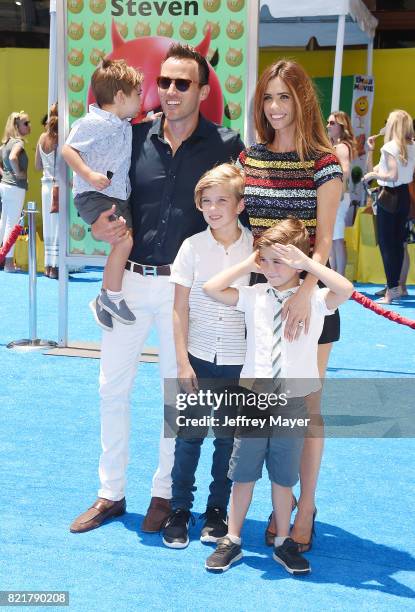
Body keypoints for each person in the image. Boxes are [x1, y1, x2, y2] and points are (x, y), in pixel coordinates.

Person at [69, 43, 245, 534]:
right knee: (111, 389)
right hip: (127, 282)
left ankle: (165, 495)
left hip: (183, 293)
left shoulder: (226, 145)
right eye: (163, 82)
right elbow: (91, 177)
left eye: (181, 83)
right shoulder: (131, 135)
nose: (169, 91)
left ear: (203, 91)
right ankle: (110, 493)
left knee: (177, 394)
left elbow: (240, 213)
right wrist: (99, 225)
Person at [203, 218, 354, 574]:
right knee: (243, 472)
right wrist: (249, 262)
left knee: (284, 476)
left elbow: (344, 288)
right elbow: (212, 288)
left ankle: (284, 540)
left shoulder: (314, 301)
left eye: (279, 261)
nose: (270, 269)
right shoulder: (254, 296)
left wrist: (308, 265)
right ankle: (234, 539)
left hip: (292, 400)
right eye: (266, 261)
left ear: (298, 261)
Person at [236, 60, 343, 552]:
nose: (275, 108)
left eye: (285, 97)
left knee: (306, 409)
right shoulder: (249, 159)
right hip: (259, 303)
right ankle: (277, 503)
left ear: (303, 101)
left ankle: (308, 505)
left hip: (309, 302)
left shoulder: (324, 163)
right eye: (268, 98)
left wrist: (304, 292)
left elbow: (323, 242)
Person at [162, 164, 252, 549]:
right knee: (188, 437)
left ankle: (217, 511)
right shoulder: (192, 247)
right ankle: (180, 508)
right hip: (196, 358)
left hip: (239, 360)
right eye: (206, 202)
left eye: (221, 201)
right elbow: (179, 308)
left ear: (240, 205)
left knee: (228, 441)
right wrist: (182, 361)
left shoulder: (256, 249)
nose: (213, 209)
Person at [62, 59, 143, 328]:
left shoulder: (123, 123)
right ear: (120, 96)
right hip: (94, 195)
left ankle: (105, 299)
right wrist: (88, 174)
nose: (141, 98)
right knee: (124, 242)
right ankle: (110, 296)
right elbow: (68, 150)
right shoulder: (93, 122)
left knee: (125, 241)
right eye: (137, 94)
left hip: (117, 196)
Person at [364, 109, 415, 304]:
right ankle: (395, 287)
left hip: (389, 196)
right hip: (404, 196)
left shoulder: (390, 147)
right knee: (398, 245)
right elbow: (379, 168)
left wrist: (373, 177)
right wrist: (370, 152)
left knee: (387, 245)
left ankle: (391, 290)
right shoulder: (411, 146)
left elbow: (389, 175)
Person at [327, 111, 357, 275]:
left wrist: (336, 190)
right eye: (328, 122)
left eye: (332, 123)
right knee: (332, 238)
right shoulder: (336, 146)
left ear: (341, 127)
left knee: (336, 239)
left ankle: (340, 276)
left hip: (338, 196)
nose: (328, 126)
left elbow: (345, 171)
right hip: (336, 195)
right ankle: (335, 275)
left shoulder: (342, 147)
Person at [0, 111, 31, 272]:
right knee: (11, 225)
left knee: (4, 222)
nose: (29, 126)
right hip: (15, 187)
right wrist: (18, 172)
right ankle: (8, 262)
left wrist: (6, 173)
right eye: (26, 123)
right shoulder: (18, 143)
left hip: (5, 186)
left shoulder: (5, 143)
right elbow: (13, 158)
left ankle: (2, 258)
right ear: (17, 126)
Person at [35, 103, 60, 279]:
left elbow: (37, 165)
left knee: (48, 226)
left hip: (45, 184)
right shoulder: (60, 139)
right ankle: (56, 266)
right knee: (58, 226)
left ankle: (47, 266)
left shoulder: (41, 138)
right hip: (57, 185)